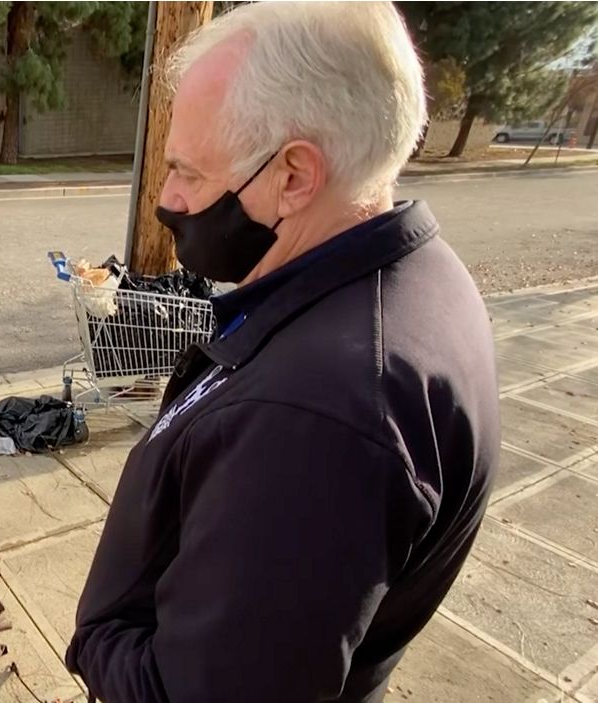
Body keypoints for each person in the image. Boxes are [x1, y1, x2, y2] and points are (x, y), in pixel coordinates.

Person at [65, 3, 499, 702]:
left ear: (294, 176)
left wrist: (97, 643)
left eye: (186, 172)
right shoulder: (411, 273)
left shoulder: (315, 419)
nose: (167, 199)